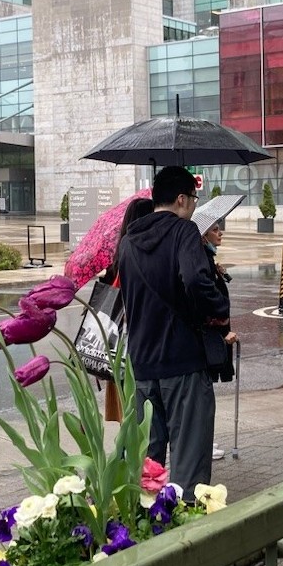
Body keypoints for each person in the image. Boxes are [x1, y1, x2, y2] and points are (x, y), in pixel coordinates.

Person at [116, 167, 230, 497]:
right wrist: (218, 307)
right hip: (183, 363)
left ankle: (145, 534)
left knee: (145, 466)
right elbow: (195, 281)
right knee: (189, 465)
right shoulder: (184, 232)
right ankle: (187, 536)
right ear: (181, 199)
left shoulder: (128, 242)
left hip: (141, 367)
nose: (194, 205)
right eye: (193, 199)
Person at [100, 196, 154, 422]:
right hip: (134, 342)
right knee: (138, 410)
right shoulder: (138, 255)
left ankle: (127, 453)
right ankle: (132, 454)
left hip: (117, 346)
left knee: (128, 412)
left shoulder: (119, 253)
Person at [201, 220, 237, 461]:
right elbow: (207, 302)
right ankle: (202, 442)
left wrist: (220, 273)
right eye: (214, 229)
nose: (220, 232)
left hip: (213, 336)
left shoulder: (208, 260)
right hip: (210, 337)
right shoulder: (201, 259)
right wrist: (223, 332)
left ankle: (204, 440)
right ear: (204, 236)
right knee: (203, 393)